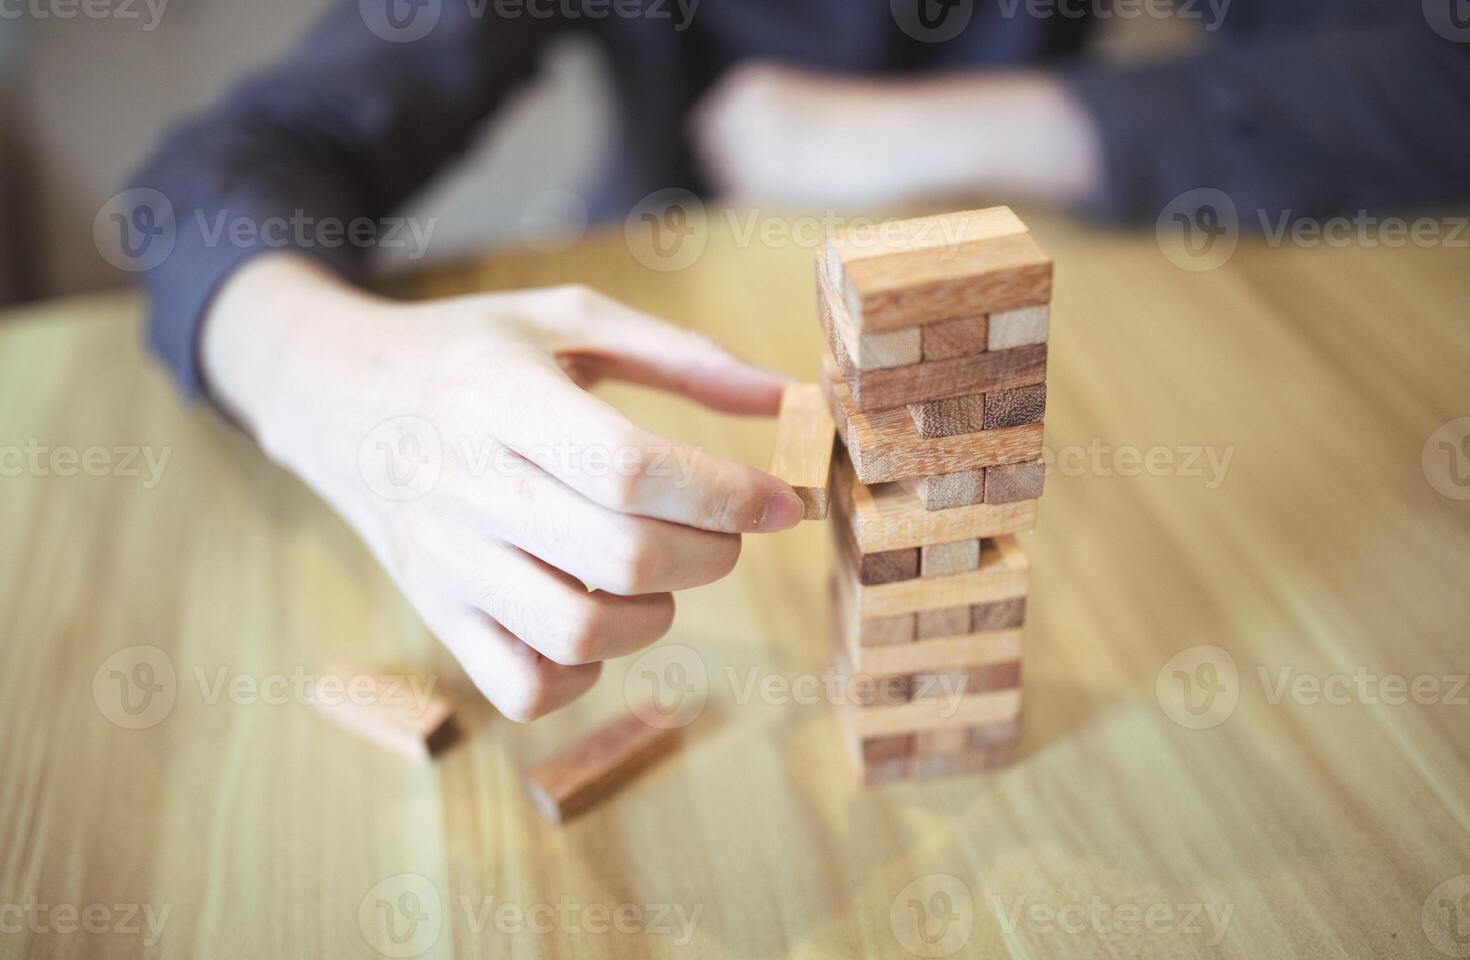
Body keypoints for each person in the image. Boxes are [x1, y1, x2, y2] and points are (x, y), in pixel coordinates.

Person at [125, 0, 1467, 722]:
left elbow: (1432, 75)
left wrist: (940, 131)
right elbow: (212, 175)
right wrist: (336, 382)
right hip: (665, 308)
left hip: (1021, 307)